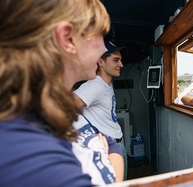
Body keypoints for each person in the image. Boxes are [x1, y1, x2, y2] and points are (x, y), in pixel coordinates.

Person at [0, 0, 118, 186]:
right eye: (100, 35)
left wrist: (106, 152)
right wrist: (104, 156)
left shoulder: (50, 110)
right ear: (68, 39)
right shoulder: (30, 154)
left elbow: (113, 145)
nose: (104, 48)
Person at [74, 41, 128, 180]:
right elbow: (66, 108)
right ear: (101, 62)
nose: (121, 65)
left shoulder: (107, 84)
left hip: (116, 142)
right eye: (116, 60)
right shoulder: (94, 86)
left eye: (121, 60)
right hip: (107, 147)